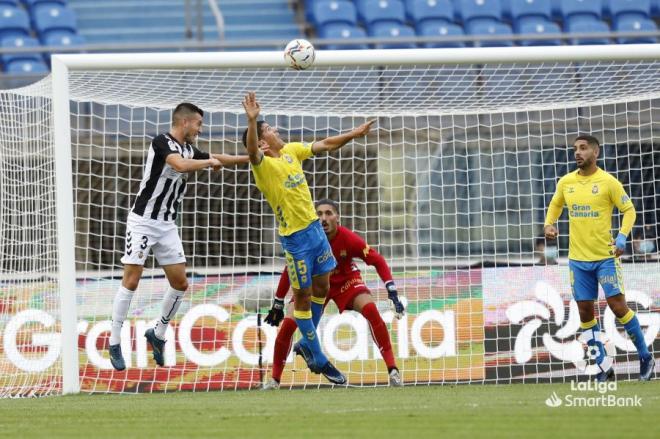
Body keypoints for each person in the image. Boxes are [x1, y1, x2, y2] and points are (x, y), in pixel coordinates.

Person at [242, 92, 374, 385]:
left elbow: (325, 144)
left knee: (323, 285)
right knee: (301, 298)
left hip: (315, 232)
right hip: (296, 240)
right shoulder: (263, 166)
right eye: (269, 130)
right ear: (263, 141)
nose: (276, 130)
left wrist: (355, 132)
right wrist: (252, 121)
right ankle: (318, 356)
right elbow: (251, 151)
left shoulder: (291, 151)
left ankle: (306, 345)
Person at [108, 102, 250, 371]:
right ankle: (115, 341)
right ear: (184, 122)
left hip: (166, 224)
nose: (200, 129)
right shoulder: (162, 142)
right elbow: (181, 165)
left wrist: (252, 158)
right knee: (132, 279)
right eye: (198, 124)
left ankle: (158, 333)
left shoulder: (189, 148)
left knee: (180, 282)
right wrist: (208, 161)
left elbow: (216, 155)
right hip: (142, 222)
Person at [262, 199, 406, 389]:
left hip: (345, 282)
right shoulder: (307, 240)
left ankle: (393, 371)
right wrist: (278, 303)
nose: (324, 218)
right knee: (288, 324)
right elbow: (290, 269)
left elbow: (377, 260)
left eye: (328, 213)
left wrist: (392, 292)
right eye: (319, 214)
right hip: (315, 285)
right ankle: (274, 380)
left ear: (337, 217)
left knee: (371, 309)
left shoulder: (348, 238)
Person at [544, 135, 654, 381]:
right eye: (575, 149)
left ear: (596, 153)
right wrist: (549, 224)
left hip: (605, 257)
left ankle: (646, 357)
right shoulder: (566, 182)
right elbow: (555, 205)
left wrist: (623, 237)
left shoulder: (608, 182)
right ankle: (603, 365)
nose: (577, 153)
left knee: (618, 307)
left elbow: (629, 210)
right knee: (584, 313)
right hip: (578, 260)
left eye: (583, 148)